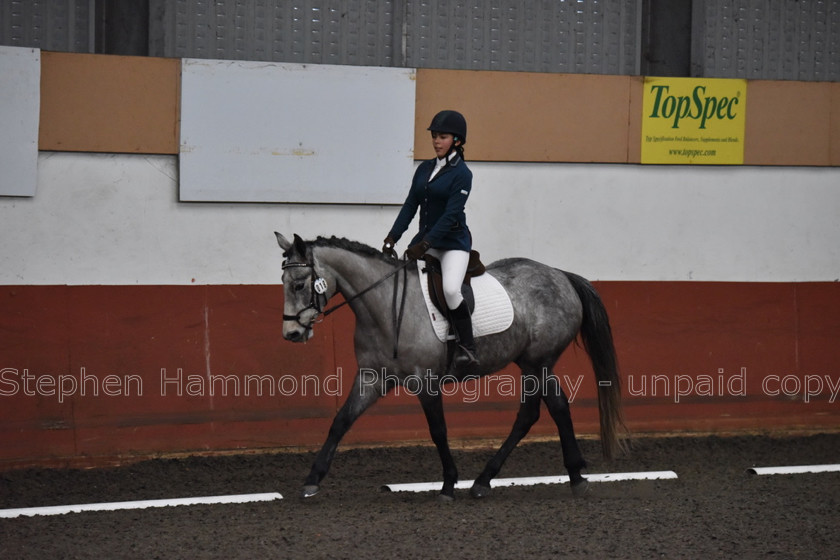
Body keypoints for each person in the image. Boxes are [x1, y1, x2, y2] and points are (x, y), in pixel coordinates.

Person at [383, 110, 479, 368]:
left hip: (452, 244)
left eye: (443, 137)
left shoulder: (463, 174)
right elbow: (410, 205)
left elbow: (450, 216)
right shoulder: (424, 168)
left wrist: (425, 245)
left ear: (457, 141)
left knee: (450, 289)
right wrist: (393, 236)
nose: (436, 141)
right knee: (401, 278)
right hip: (425, 240)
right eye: (435, 136)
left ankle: (466, 346)